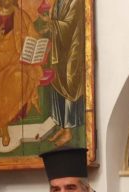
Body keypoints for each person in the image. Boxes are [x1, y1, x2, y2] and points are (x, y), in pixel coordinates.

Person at [0, 0, 44, 147]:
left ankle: (1, 129)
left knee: (16, 80)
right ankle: (2, 128)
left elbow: (34, 35)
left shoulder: (21, 16)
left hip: (20, 63)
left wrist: (36, 43)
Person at [37, 0, 85, 147]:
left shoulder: (75, 2)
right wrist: (47, 27)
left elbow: (69, 26)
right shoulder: (58, 2)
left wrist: (50, 22)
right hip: (59, 51)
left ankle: (69, 131)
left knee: (69, 85)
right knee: (57, 83)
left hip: (72, 51)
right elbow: (57, 23)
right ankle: (63, 127)